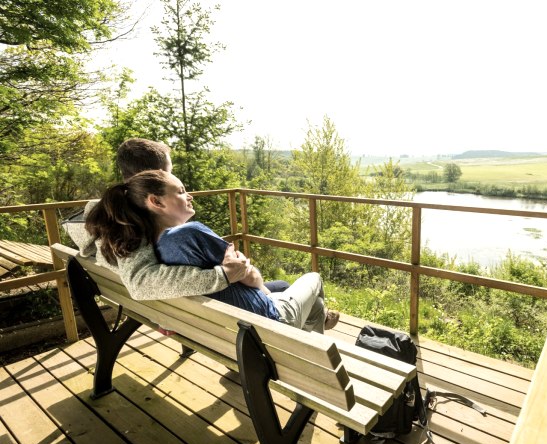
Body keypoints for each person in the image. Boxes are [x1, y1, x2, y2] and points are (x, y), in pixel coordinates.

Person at [86, 170, 340, 333]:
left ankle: (319, 319)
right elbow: (251, 278)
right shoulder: (188, 235)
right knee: (313, 279)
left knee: (305, 299)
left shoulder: (136, 246)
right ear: (156, 201)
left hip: (215, 330)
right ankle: (311, 342)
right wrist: (239, 279)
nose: (190, 195)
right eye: (181, 191)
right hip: (265, 324)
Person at [64, 138, 287, 300]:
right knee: (285, 288)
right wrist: (224, 275)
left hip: (171, 310)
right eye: (170, 172)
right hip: (208, 313)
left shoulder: (109, 219)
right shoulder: (133, 227)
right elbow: (141, 282)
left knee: (284, 288)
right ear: (157, 177)